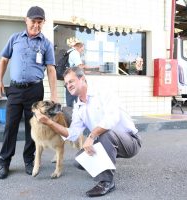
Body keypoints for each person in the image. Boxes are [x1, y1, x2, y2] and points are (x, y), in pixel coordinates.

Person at [34, 67, 141, 197]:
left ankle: (107, 181)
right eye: (66, 83)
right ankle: (107, 160)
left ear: (82, 79)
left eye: (71, 81)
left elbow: (112, 119)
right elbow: (72, 133)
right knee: (78, 161)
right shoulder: (78, 107)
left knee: (105, 134)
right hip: (106, 141)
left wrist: (91, 136)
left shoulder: (103, 92)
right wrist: (50, 123)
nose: (68, 86)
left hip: (130, 141)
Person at [0, 6, 57, 179]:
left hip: (35, 90)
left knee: (33, 127)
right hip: (14, 89)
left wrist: (54, 95)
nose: (36, 25)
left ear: (43, 23)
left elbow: (51, 70)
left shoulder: (46, 44)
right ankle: (4, 163)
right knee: (10, 126)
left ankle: (29, 161)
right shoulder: (15, 38)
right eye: (33, 21)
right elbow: (4, 60)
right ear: (26, 20)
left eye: (40, 22)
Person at [65, 37, 89, 107]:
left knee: (70, 102)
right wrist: (95, 67)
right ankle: (79, 116)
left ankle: (70, 116)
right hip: (75, 79)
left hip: (70, 78)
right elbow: (80, 66)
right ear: (78, 46)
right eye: (82, 48)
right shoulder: (75, 53)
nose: (82, 50)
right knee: (80, 102)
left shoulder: (70, 52)